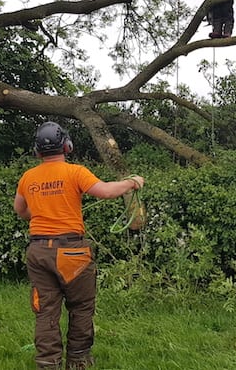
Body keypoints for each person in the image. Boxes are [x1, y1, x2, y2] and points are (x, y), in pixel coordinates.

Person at [14, 121, 145, 370]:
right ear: (67, 145)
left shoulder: (27, 177)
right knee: (81, 307)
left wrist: (43, 210)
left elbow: (20, 210)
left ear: (37, 150)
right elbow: (106, 191)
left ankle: (48, 364)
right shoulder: (75, 172)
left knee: (45, 310)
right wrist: (132, 182)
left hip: (38, 251)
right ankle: (78, 361)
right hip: (72, 252)